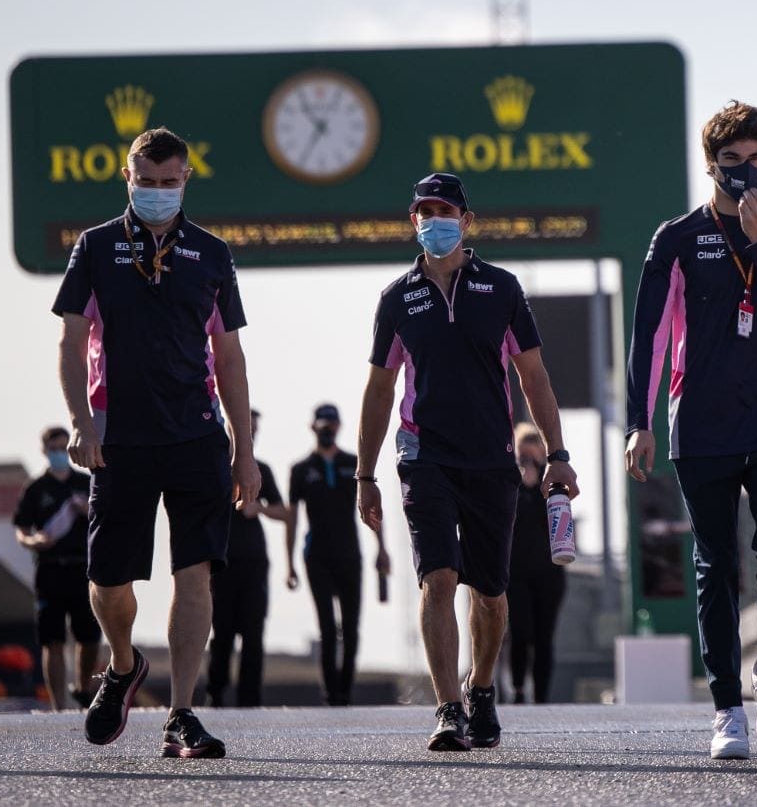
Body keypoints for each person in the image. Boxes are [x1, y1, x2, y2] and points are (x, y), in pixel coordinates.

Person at [52, 125, 259, 759]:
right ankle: (122, 663)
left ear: (187, 179)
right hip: (118, 436)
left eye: (170, 183)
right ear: (128, 177)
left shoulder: (213, 253)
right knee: (109, 580)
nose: (160, 193)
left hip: (196, 433)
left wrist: (243, 450)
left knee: (194, 573)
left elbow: (230, 357)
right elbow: (68, 343)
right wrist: (82, 422)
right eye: (148, 182)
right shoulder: (93, 248)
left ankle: (181, 713)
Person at [356, 173, 577, 753]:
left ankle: (481, 687)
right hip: (423, 456)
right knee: (438, 578)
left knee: (490, 593)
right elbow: (379, 390)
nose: (435, 221)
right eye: (425, 211)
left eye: (445, 211)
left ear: (466, 220)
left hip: (492, 459)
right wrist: (364, 474)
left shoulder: (502, 290)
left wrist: (558, 456)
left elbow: (534, 377)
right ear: (413, 220)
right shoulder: (396, 299)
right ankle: (447, 707)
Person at [624, 101, 757, 760]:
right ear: (710, 163)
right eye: (731, 160)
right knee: (715, 566)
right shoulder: (676, 238)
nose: (744, 171)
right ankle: (727, 708)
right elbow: (648, 335)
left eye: (755, 159)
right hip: (700, 425)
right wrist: (637, 422)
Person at [287, 402, 389, 706]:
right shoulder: (301, 470)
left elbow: (372, 509)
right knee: (327, 628)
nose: (327, 431)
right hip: (316, 556)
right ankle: (330, 693)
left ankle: (345, 690)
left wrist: (382, 549)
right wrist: (290, 563)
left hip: (350, 554)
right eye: (322, 426)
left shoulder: (353, 463)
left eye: (331, 426)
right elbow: (292, 518)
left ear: (339, 427)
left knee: (352, 626)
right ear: (313, 427)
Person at [13, 425, 101, 710]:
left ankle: (83, 687)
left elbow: (106, 516)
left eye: (64, 448)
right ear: (44, 451)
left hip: (83, 568)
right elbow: (21, 528)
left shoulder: (85, 482)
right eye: (54, 449)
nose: (59, 454)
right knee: (52, 639)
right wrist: (33, 540)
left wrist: (87, 510)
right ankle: (58, 704)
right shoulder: (36, 488)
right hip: (50, 568)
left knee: (88, 636)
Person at [207, 410, 285, 707]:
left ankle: (250, 699)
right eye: (245, 428)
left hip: (254, 562)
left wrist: (260, 509)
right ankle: (215, 695)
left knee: (253, 633)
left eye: (254, 429)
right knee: (221, 632)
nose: (250, 434)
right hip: (220, 561)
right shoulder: (215, 467)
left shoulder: (260, 469)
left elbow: (284, 511)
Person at [505, 423, 568, 704]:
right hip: (515, 571)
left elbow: (561, 523)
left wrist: (537, 489)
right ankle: (518, 689)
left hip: (548, 571)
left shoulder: (554, 482)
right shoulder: (507, 481)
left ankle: (542, 695)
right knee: (519, 631)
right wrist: (521, 487)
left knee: (544, 636)